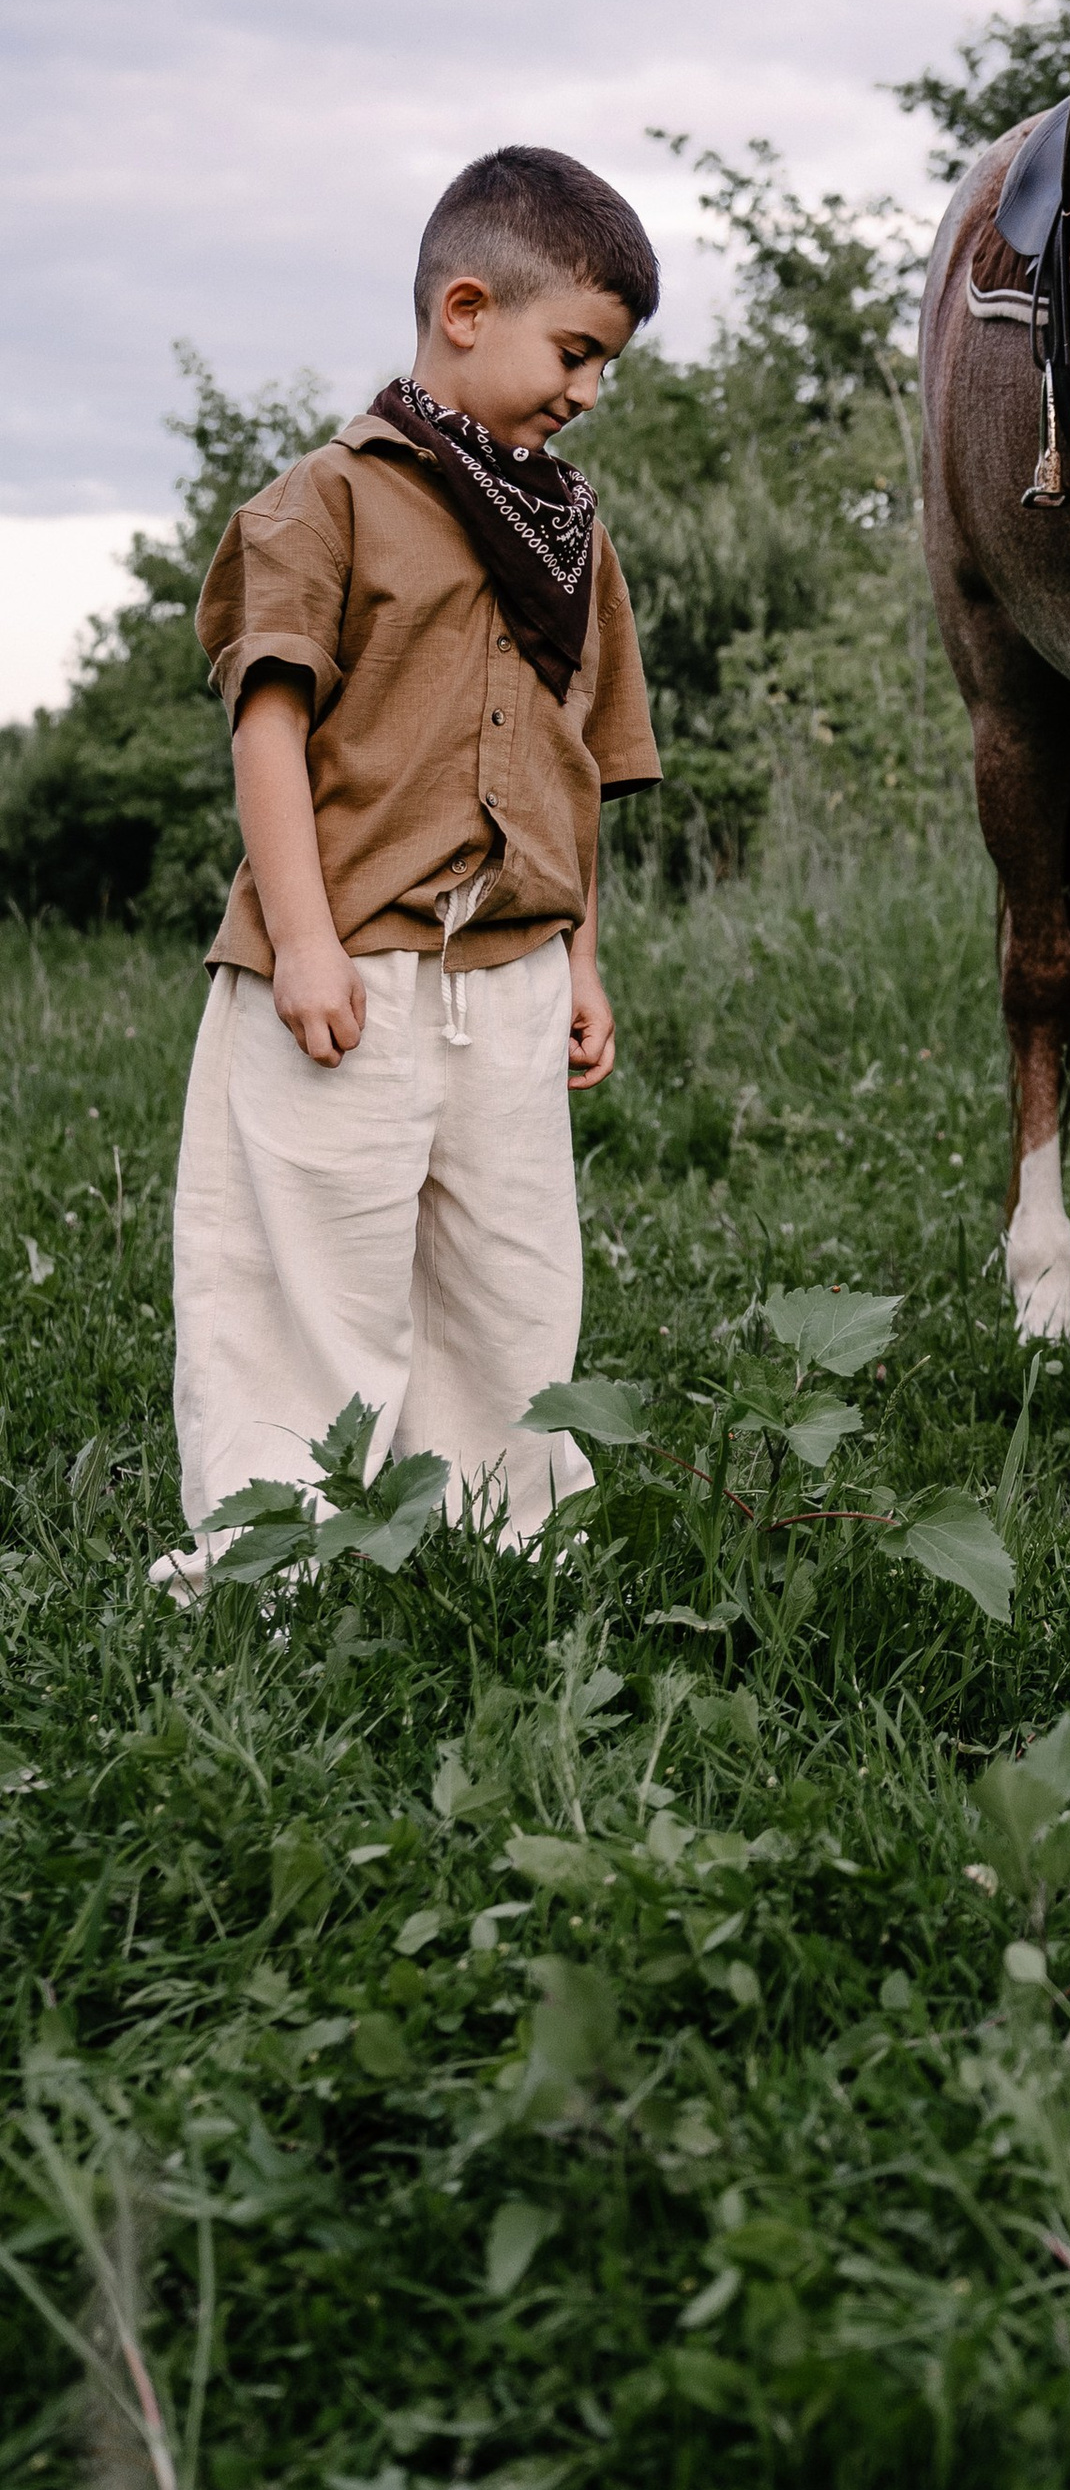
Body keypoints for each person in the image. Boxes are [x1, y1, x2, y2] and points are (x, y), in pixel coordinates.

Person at [155, 147, 662, 1593]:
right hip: (348, 971)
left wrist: (579, 955)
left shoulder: (571, 535)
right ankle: (275, 1560)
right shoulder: (327, 503)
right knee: (302, 1280)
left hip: (506, 972)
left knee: (510, 1286)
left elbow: (578, 761)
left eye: (605, 364)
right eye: (575, 351)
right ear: (463, 307)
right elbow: (269, 727)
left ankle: (498, 1547)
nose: (588, 389)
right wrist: (303, 940)